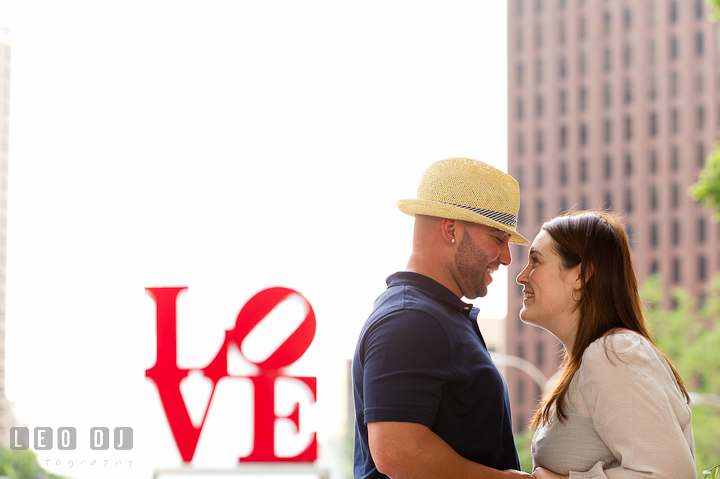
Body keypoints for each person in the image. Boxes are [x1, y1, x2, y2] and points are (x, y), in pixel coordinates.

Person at [353, 157, 533, 479]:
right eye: (497, 238)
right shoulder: (410, 320)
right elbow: (397, 452)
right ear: (451, 229)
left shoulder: (428, 316)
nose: (506, 258)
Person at [515, 211, 696, 479]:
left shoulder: (615, 353)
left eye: (535, 262)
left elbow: (670, 475)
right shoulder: (591, 361)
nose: (522, 276)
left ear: (581, 275)